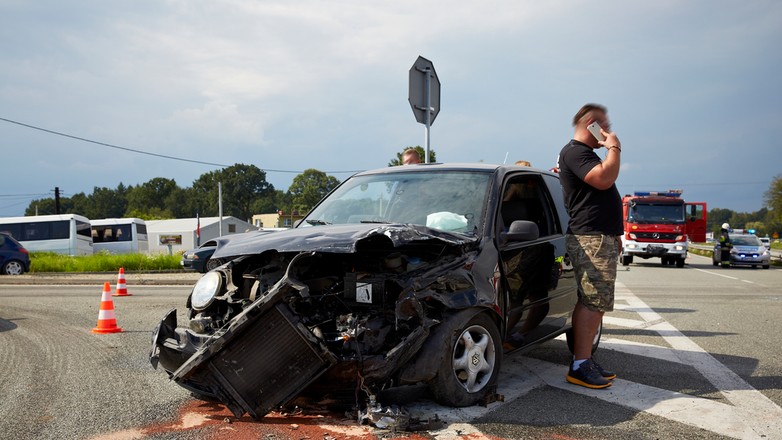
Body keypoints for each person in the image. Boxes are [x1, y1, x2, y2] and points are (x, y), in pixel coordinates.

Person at [556, 103, 622, 389]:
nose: (607, 130)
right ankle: (580, 365)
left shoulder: (583, 154)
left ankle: (584, 360)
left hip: (599, 236)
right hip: (590, 237)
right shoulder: (575, 152)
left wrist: (614, 234)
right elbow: (604, 179)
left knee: (597, 301)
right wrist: (614, 148)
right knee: (592, 300)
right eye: (603, 124)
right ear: (592, 123)